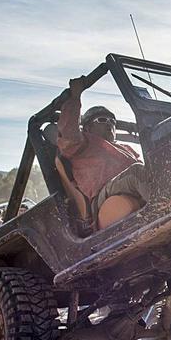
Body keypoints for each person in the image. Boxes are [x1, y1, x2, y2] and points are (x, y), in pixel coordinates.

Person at [57, 76, 150, 230]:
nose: (109, 125)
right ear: (86, 128)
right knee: (136, 172)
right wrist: (75, 96)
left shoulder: (124, 148)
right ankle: (167, 207)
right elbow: (68, 133)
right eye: (101, 120)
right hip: (103, 194)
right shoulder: (81, 143)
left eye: (112, 121)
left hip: (128, 186)